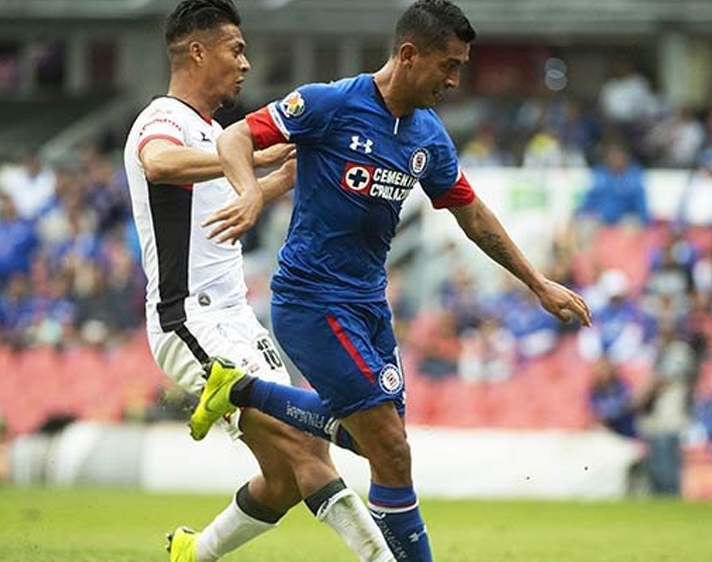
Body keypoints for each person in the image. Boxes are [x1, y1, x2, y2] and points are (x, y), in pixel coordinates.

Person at [192, 2, 592, 561]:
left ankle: (240, 390)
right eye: (447, 66)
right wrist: (251, 192)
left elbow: (470, 213)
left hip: (370, 308)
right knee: (394, 451)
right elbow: (235, 137)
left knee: (375, 447)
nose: (455, 80)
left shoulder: (427, 136)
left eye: (460, 68)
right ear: (408, 55)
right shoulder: (330, 103)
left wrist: (537, 283)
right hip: (311, 301)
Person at [122, 2, 395, 562]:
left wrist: (284, 176)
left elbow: (229, 207)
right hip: (189, 319)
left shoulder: (216, 134)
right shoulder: (163, 119)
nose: (246, 63)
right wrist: (243, 156)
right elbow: (159, 165)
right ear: (197, 51)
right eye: (236, 49)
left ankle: (193, 554)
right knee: (304, 449)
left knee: (291, 473)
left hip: (238, 319)